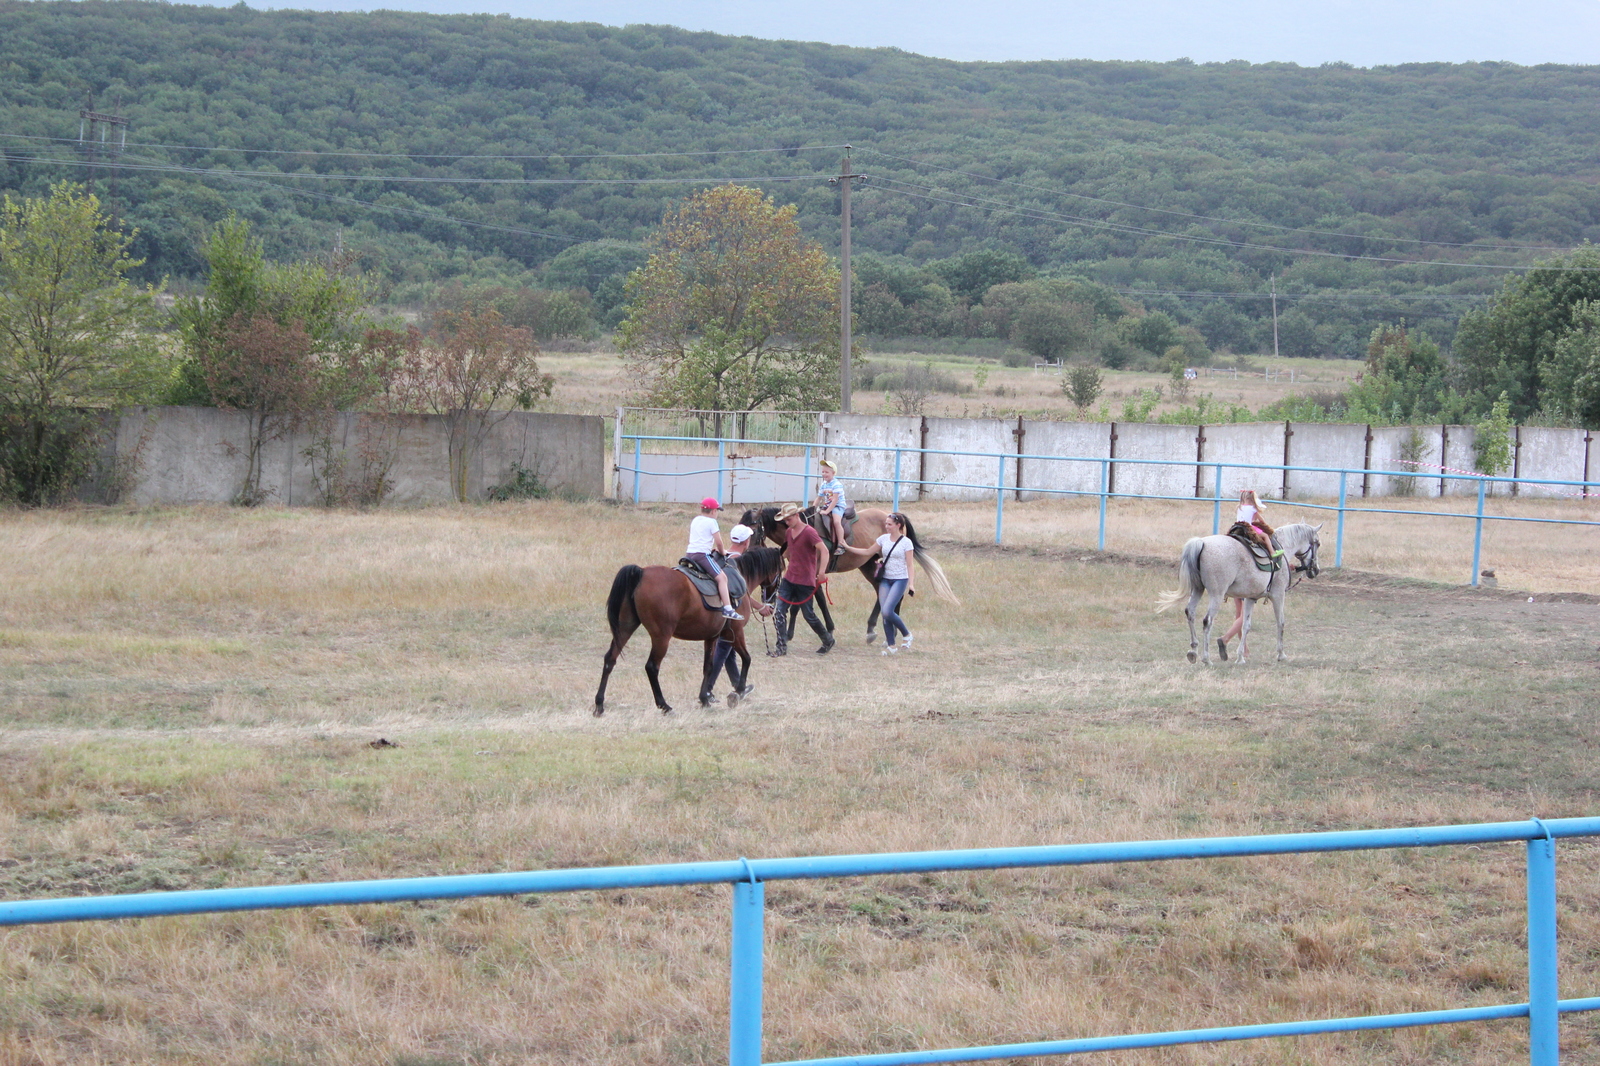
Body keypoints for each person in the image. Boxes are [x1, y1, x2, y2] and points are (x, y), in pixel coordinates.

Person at [769, 502, 834, 656]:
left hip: (805, 581)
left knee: (809, 615)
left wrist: (822, 572)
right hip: (789, 579)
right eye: (785, 520)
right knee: (779, 611)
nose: (787, 522)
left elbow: (824, 551)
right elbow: (791, 551)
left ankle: (827, 639)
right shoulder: (789, 532)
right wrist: (778, 561)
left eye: (789, 519)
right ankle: (781, 646)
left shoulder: (809, 532)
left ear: (797, 516)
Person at [686, 497, 741, 620]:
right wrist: (723, 552)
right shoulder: (712, 522)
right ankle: (728, 608)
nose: (716, 513)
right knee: (722, 578)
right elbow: (719, 543)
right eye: (717, 511)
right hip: (702, 555)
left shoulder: (695, 520)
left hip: (689, 554)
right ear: (713, 511)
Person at [815, 458, 850, 556]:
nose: (824, 474)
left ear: (833, 473)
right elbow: (818, 498)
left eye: (827, 472)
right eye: (823, 472)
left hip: (838, 506)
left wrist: (827, 511)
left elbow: (835, 500)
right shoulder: (823, 484)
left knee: (836, 521)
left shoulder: (836, 484)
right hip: (827, 506)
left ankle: (841, 544)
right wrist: (812, 508)